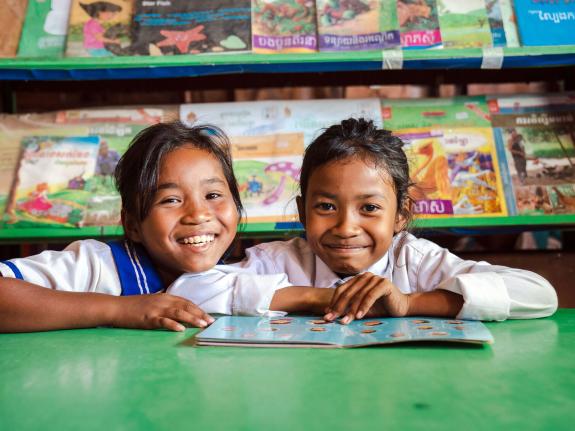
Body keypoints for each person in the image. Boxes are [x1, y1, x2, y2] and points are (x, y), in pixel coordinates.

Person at [0, 121, 331, 333]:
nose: (198, 214)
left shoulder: (231, 276)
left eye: (213, 195)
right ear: (131, 223)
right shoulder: (96, 265)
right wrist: (117, 309)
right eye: (170, 200)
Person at [229, 118, 557, 323]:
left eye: (369, 208)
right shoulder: (280, 261)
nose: (345, 227)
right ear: (303, 212)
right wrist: (317, 297)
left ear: (401, 215)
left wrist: (409, 302)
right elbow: (195, 287)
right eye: (326, 206)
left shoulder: (415, 261)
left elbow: (539, 294)